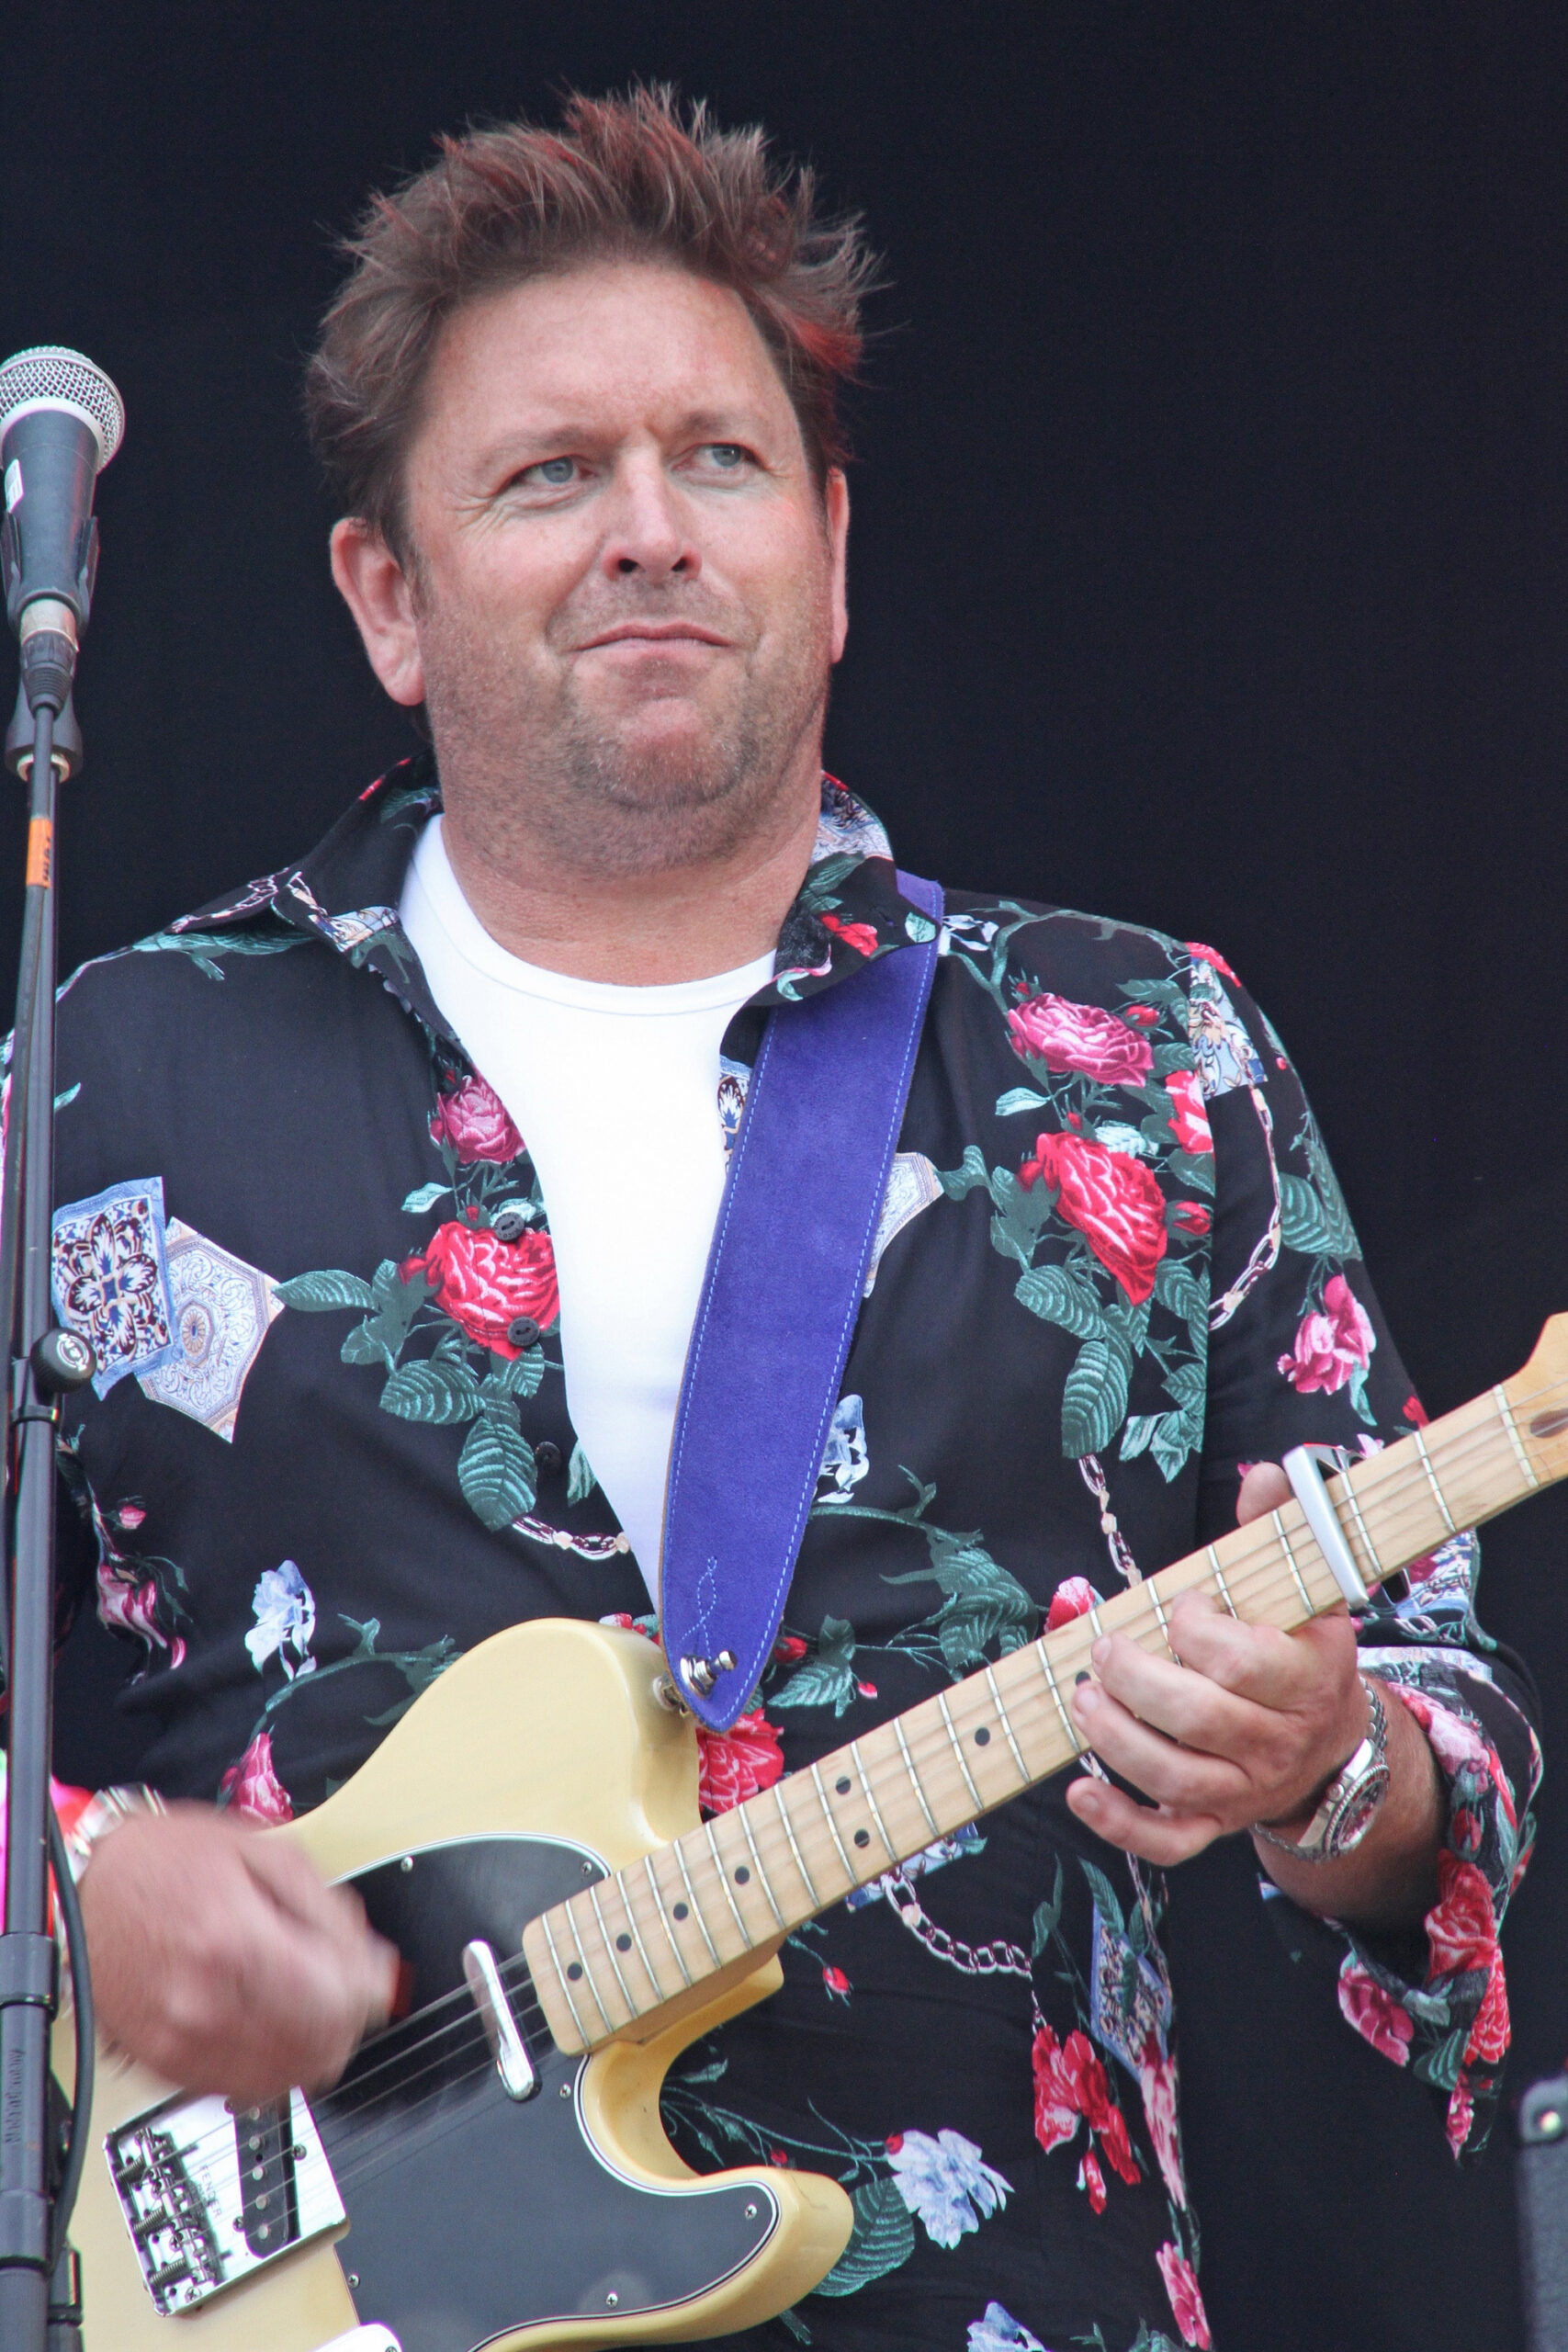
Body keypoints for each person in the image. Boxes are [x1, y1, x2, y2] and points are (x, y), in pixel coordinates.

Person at [23, 88, 1538, 2352]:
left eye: (714, 463)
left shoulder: (1139, 1046)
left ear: (828, 554)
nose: (646, 530)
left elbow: (1442, 1736)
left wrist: (1336, 1768)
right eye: (550, 476)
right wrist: (88, 1882)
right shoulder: (107, 1074)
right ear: (385, 597)